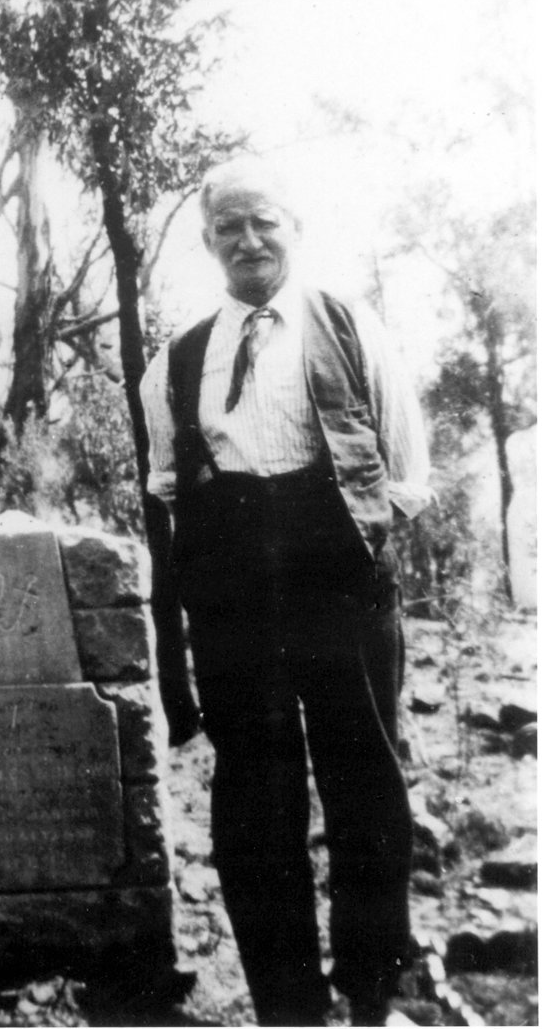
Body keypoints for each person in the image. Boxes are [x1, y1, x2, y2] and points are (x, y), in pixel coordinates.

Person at [141, 156, 431, 1028]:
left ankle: (372, 988)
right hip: (234, 579)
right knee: (255, 798)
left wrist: (359, 553)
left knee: (365, 782)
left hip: (337, 570)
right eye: (228, 226)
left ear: (293, 229)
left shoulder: (348, 326)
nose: (248, 239)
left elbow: (407, 467)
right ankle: (286, 1005)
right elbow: (166, 479)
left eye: (263, 221)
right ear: (207, 243)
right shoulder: (181, 355)